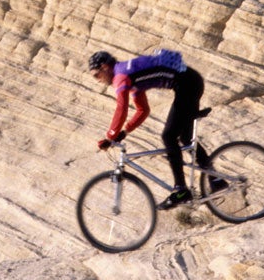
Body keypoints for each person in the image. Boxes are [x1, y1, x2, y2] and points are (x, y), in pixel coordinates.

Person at [87, 48, 210, 208]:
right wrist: (124, 132)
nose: (97, 80)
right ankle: (216, 180)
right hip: (190, 83)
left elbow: (121, 109)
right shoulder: (128, 75)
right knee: (185, 138)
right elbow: (142, 110)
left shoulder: (121, 77)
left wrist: (110, 136)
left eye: (97, 75)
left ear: (105, 67)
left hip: (187, 85)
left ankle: (180, 190)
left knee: (169, 136)